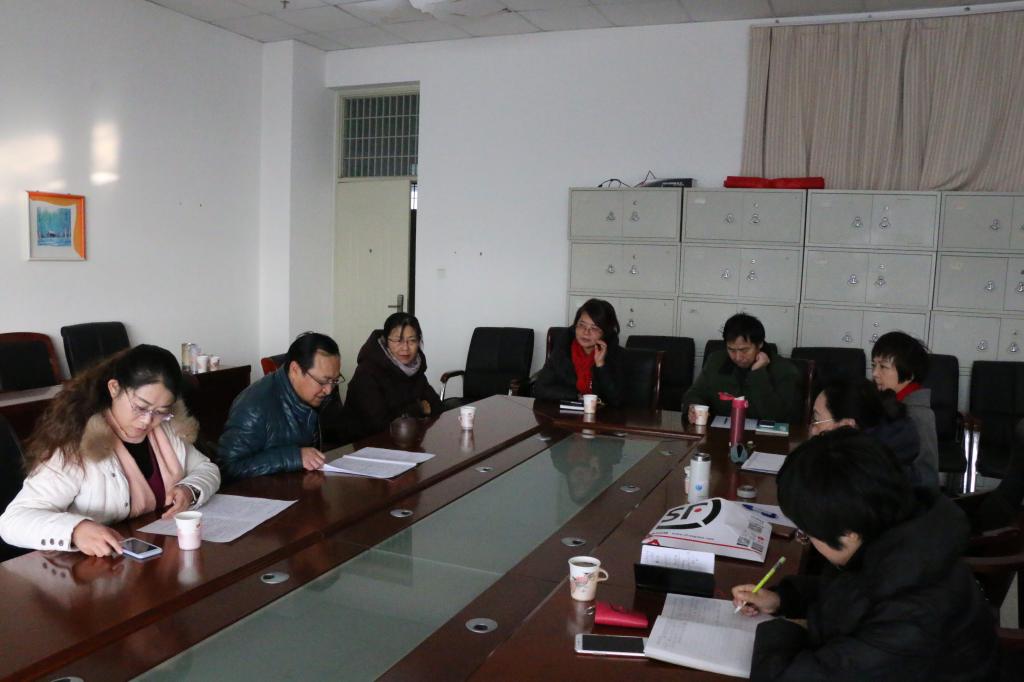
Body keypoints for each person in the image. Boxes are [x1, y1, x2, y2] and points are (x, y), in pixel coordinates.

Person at [732, 428, 999, 681]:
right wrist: (782, 599)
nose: (808, 539)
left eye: (808, 532)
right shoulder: (900, 536)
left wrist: (782, 631)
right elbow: (853, 593)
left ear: (849, 533)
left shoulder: (912, 613)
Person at [0, 345, 220, 557]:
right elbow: (13, 521)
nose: (147, 421)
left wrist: (190, 490)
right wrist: (76, 530)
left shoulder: (166, 430)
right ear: (114, 388)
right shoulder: (77, 445)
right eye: (140, 407)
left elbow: (206, 468)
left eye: (161, 411)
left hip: (152, 555)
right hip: (90, 567)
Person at [217, 332, 341, 481]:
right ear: (295, 370)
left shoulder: (320, 396)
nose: (329, 390)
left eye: (334, 381)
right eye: (323, 381)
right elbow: (228, 468)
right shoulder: (254, 407)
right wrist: (295, 456)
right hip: (264, 492)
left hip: (301, 485)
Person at [810, 377, 932, 489]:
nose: (812, 430)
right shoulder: (877, 462)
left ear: (847, 425)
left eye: (816, 419)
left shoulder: (866, 481)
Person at [340, 313, 441, 443]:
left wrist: (406, 413)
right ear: (386, 341)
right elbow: (379, 425)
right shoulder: (367, 372)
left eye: (412, 340)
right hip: (366, 444)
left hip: (407, 439)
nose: (405, 347)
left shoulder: (415, 367)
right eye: (398, 340)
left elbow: (436, 405)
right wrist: (419, 408)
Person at [683, 313, 799, 421]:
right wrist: (693, 406)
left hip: (763, 435)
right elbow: (695, 393)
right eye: (731, 350)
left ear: (759, 344)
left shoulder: (784, 369)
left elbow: (778, 417)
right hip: (720, 432)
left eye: (744, 350)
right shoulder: (716, 361)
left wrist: (758, 372)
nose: (738, 357)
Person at [871, 332, 939, 489]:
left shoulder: (917, 415)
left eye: (883, 367)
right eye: (874, 365)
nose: (875, 373)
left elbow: (927, 477)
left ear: (909, 374)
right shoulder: (887, 402)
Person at [533, 298, 625, 407]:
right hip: (565, 414)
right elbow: (540, 388)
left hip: (602, 416)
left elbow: (615, 400)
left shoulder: (616, 354)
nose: (586, 332)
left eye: (594, 328)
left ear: (605, 333)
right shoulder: (563, 348)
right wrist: (577, 396)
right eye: (582, 325)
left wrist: (601, 365)